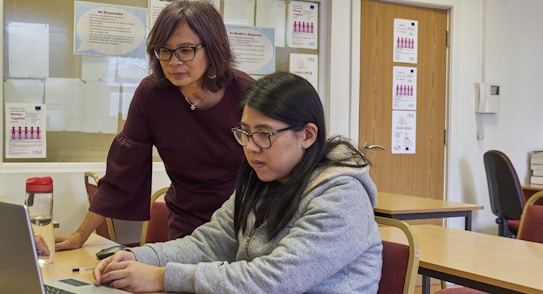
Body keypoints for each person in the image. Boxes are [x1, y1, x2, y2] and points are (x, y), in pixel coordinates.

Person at [93, 72, 383, 293]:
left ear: (307, 135)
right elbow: (209, 244)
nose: (251, 147)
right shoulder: (262, 181)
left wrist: (161, 277)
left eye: (264, 134)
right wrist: (134, 257)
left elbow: (274, 280)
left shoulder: (342, 197)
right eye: (245, 133)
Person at [56, 1, 254, 250]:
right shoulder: (152, 94)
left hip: (244, 218)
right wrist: (79, 235)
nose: (174, 62)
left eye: (186, 50)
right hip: (187, 220)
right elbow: (123, 172)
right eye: (165, 50)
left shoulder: (247, 93)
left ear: (212, 48)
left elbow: (275, 165)